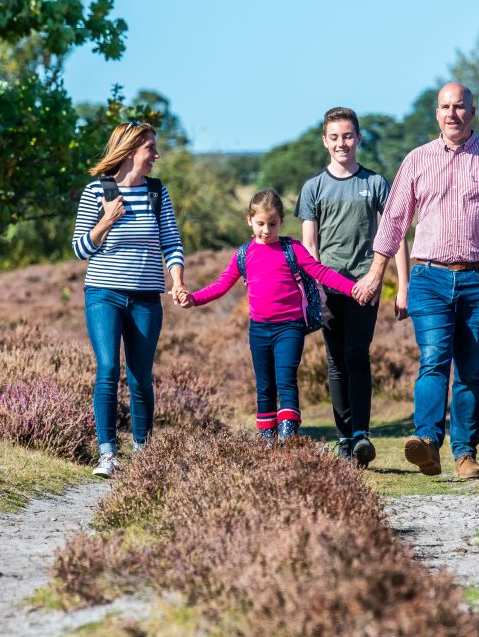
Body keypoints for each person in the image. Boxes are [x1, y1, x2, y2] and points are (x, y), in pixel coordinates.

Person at [353, 82, 479, 479]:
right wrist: (377, 272)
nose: (452, 114)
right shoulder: (417, 160)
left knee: (469, 368)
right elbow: (394, 220)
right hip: (428, 278)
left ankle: (465, 454)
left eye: (460, 107)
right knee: (433, 360)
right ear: (437, 113)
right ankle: (427, 441)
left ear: (472, 112)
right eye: (445, 107)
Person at [178, 190, 358, 443]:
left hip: (289, 328)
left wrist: (354, 289)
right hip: (259, 330)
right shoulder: (243, 254)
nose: (266, 230)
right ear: (249, 220)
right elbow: (221, 285)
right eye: (260, 223)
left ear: (281, 221)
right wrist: (193, 298)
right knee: (264, 387)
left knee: (285, 380)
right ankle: (267, 440)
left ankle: (287, 438)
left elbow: (321, 272)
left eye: (272, 224)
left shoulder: (292, 248)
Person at [296, 107, 409, 468]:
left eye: (348, 136)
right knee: (335, 361)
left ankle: (362, 434)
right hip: (328, 288)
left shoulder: (375, 184)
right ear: (325, 141)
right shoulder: (313, 188)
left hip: (366, 284)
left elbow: (396, 236)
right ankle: (344, 438)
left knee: (357, 354)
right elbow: (309, 248)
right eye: (334, 137)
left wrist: (400, 285)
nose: (341, 143)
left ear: (358, 139)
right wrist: (316, 292)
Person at [71, 120, 186, 478]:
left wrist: (177, 281)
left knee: (140, 377)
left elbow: (172, 243)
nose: (156, 155)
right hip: (103, 293)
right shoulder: (96, 192)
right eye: (150, 148)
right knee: (107, 369)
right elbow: (80, 248)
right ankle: (106, 453)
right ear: (130, 149)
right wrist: (106, 220)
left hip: (146, 298)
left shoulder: (157, 193)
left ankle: (143, 451)